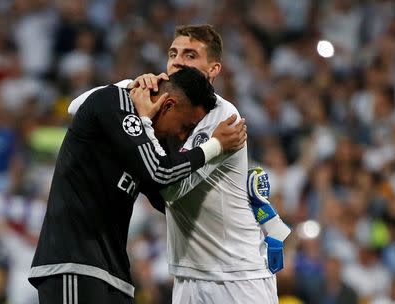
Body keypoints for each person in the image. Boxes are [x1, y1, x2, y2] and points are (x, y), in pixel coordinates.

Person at [69, 24, 289, 304]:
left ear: (213, 69)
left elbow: (171, 187)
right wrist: (130, 86)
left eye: (190, 55)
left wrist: (142, 120)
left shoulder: (223, 116)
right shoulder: (159, 103)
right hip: (188, 276)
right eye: (173, 53)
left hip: (237, 276)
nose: (177, 61)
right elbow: (76, 107)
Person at [28, 66, 247, 303]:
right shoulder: (112, 101)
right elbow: (160, 172)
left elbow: (165, 197)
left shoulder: (150, 137)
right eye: (185, 126)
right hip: (73, 263)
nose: (183, 136)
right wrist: (215, 146)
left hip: (115, 274)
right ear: (168, 104)